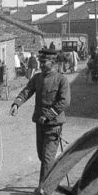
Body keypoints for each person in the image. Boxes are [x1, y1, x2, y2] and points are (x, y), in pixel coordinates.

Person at [11, 47, 71, 181]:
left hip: (53, 124)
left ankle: (43, 190)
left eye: (44, 62)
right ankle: (52, 179)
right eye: (41, 62)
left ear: (53, 62)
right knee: (41, 156)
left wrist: (49, 115)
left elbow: (65, 101)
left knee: (47, 158)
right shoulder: (38, 78)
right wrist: (17, 103)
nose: (41, 65)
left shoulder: (61, 80)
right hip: (40, 123)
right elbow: (27, 91)